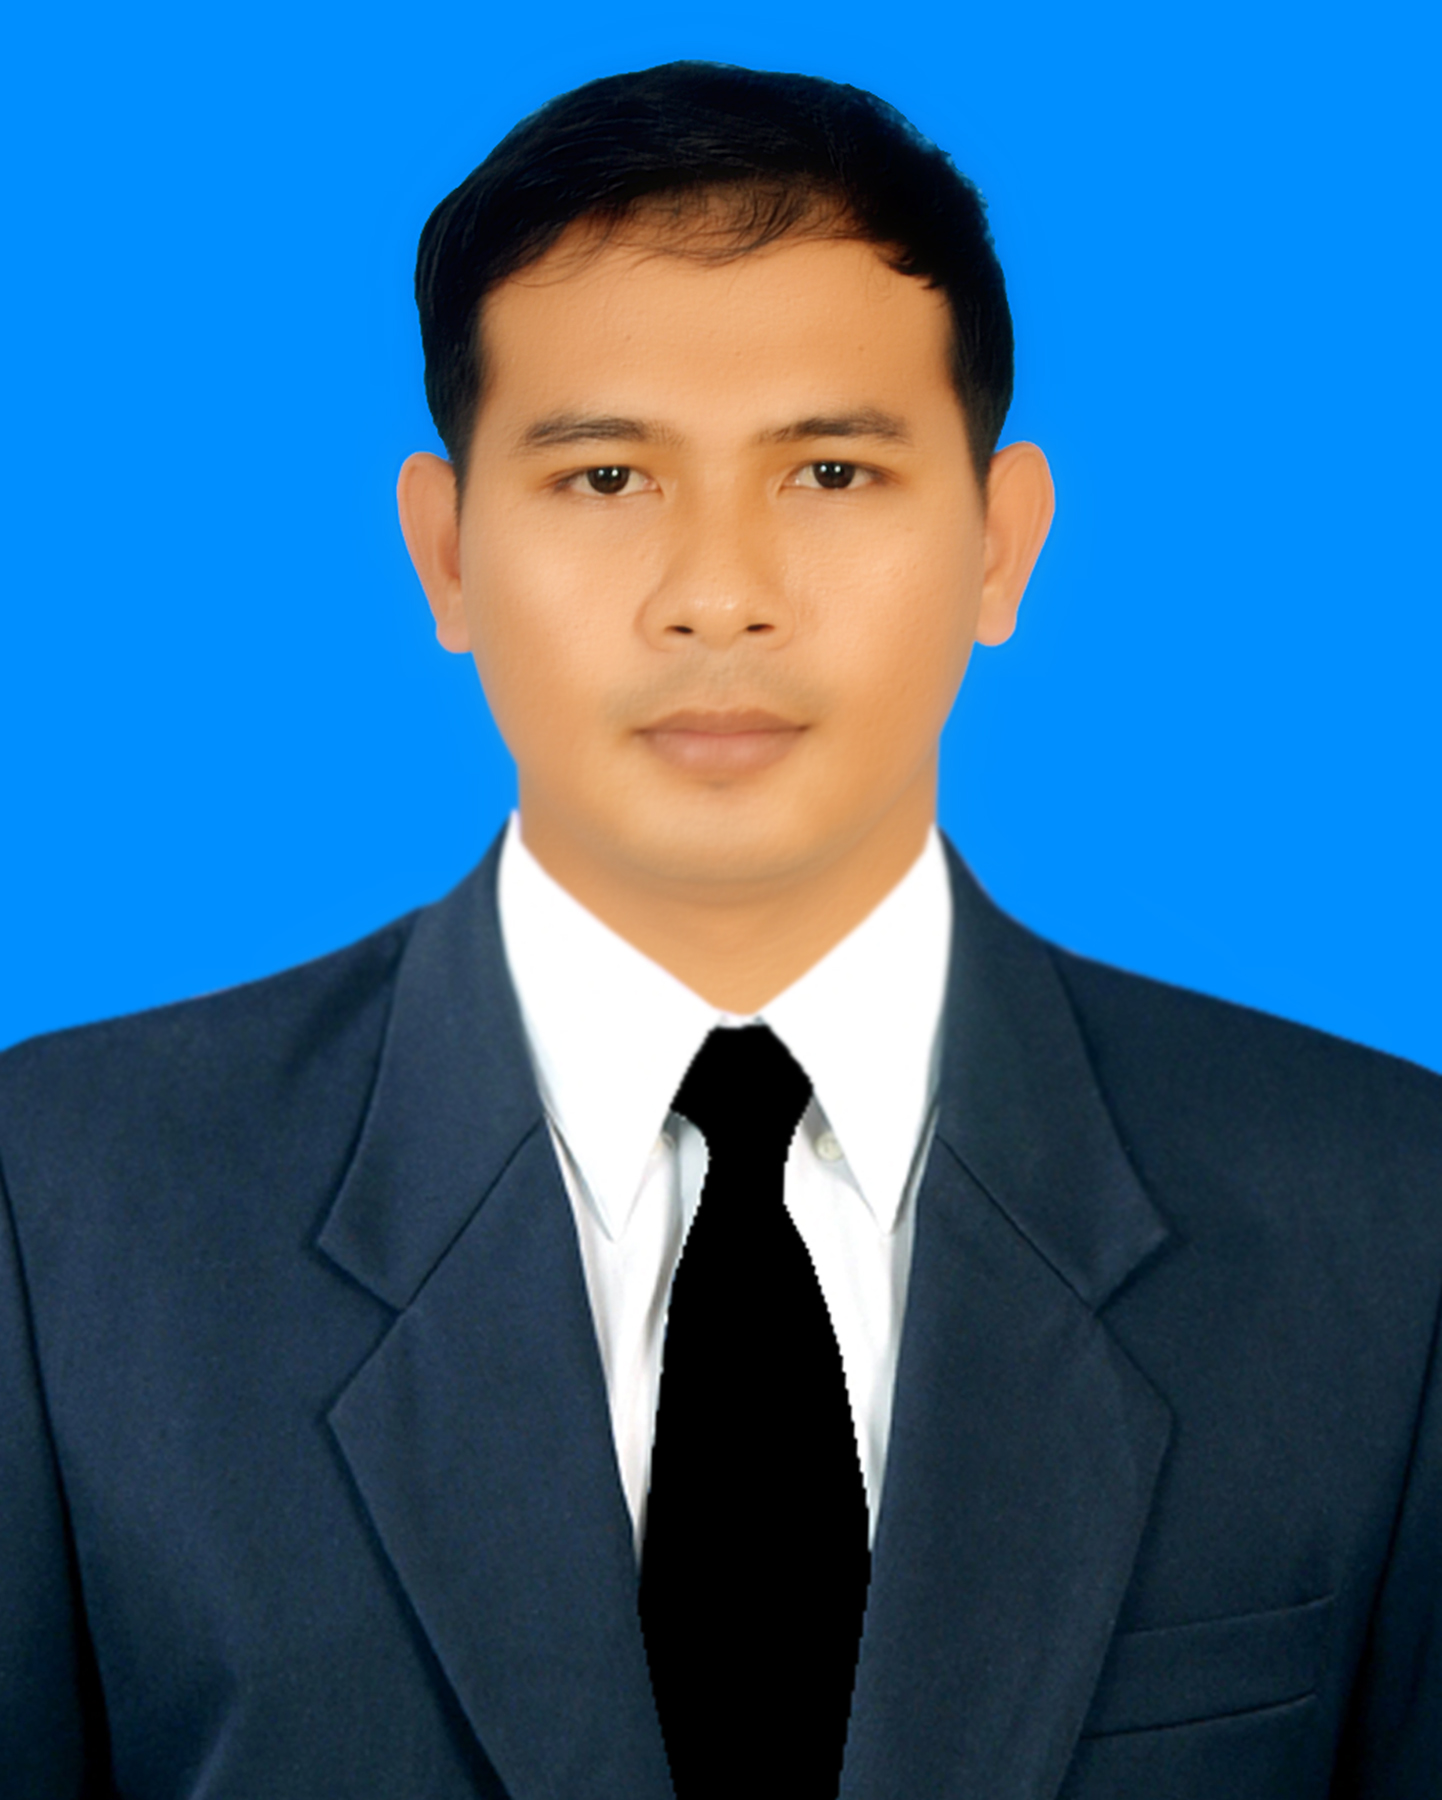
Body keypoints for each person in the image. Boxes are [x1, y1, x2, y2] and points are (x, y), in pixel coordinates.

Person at [1, 58, 1438, 1800]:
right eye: (607, 477)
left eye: (829, 470)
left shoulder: (1383, 1214)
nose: (717, 595)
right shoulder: (64, 1206)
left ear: (1000, 543)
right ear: (445, 554)